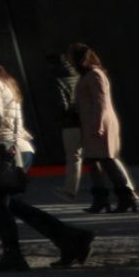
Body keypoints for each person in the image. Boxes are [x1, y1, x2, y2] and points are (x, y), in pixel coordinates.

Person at [0, 46, 95, 271]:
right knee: (8, 204)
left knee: (1, 206)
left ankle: (17, 255)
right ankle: (70, 239)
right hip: (13, 147)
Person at [67, 45, 139, 213]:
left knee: (108, 160)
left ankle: (126, 196)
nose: (69, 61)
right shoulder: (86, 75)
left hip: (99, 123)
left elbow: (101, 102)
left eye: (71, 57)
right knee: (94, 162)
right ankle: (101, 199)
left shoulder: (94, 75)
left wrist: (98, 125)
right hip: (90, 123)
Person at [49, 54, 90, 205]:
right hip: (87, 120)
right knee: (100, 157)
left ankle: (70, 190)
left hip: (71, 123)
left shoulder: (57, 80)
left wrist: (59, 117)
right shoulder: (79, 76)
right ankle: (125, 187)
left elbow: (62, 105)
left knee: (74, 157)